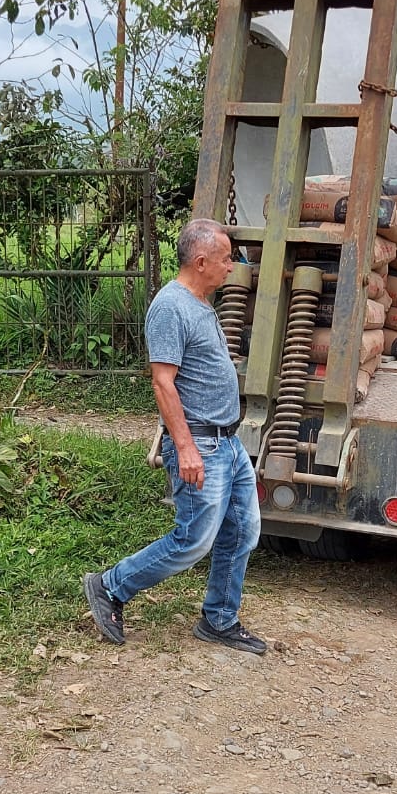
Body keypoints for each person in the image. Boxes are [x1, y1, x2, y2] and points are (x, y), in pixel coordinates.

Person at [83, 218, 265, 655]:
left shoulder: (200, 303)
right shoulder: (170, 307)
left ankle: (219, 619)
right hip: (200, 443)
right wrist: (184, 447)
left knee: (243, 530)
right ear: (201, 262)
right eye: (226, 260)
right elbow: (163, 383)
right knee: (193, 539)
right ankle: (110, 586)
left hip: (228, 442)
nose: (232, 267)